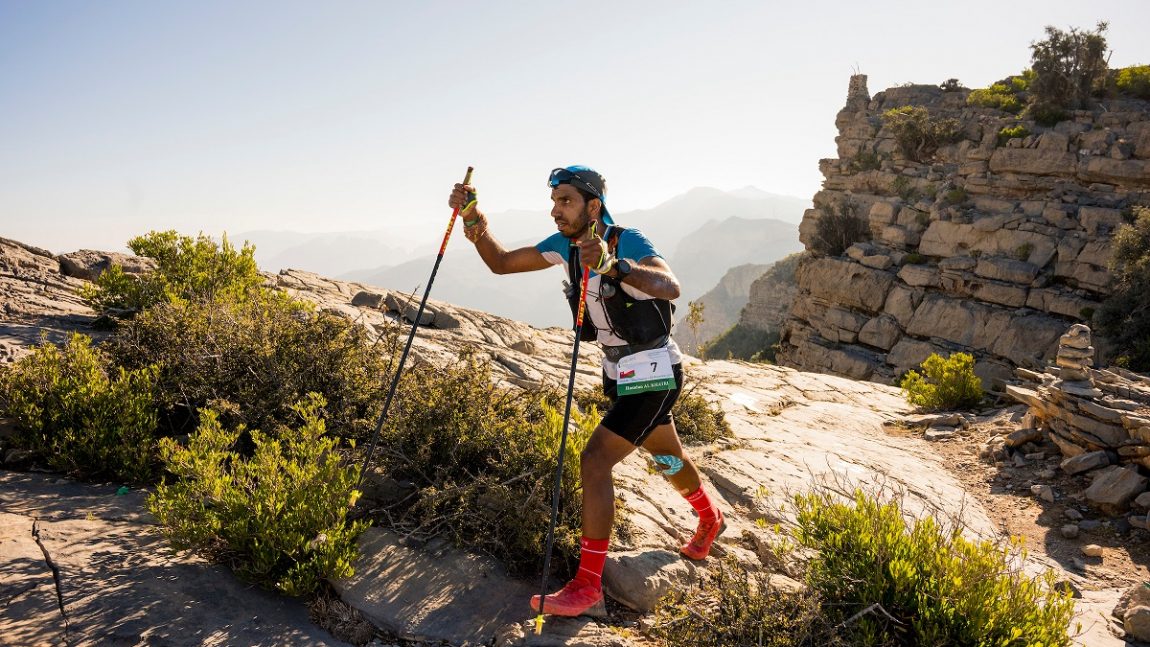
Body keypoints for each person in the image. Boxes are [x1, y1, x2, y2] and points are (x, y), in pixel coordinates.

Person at [447, 165, 725, 618]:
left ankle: (588, 584)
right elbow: (500, 263)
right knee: (666, 454)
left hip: (655, 369)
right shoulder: (564, 247)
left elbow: (669, 286)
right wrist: (473, 219)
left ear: (593, 206)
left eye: (566, 202)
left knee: (594, 460)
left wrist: (614, 265)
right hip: (622, 373)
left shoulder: (624, 240)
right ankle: (710, 518)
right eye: (555, 201)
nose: (555, 210)